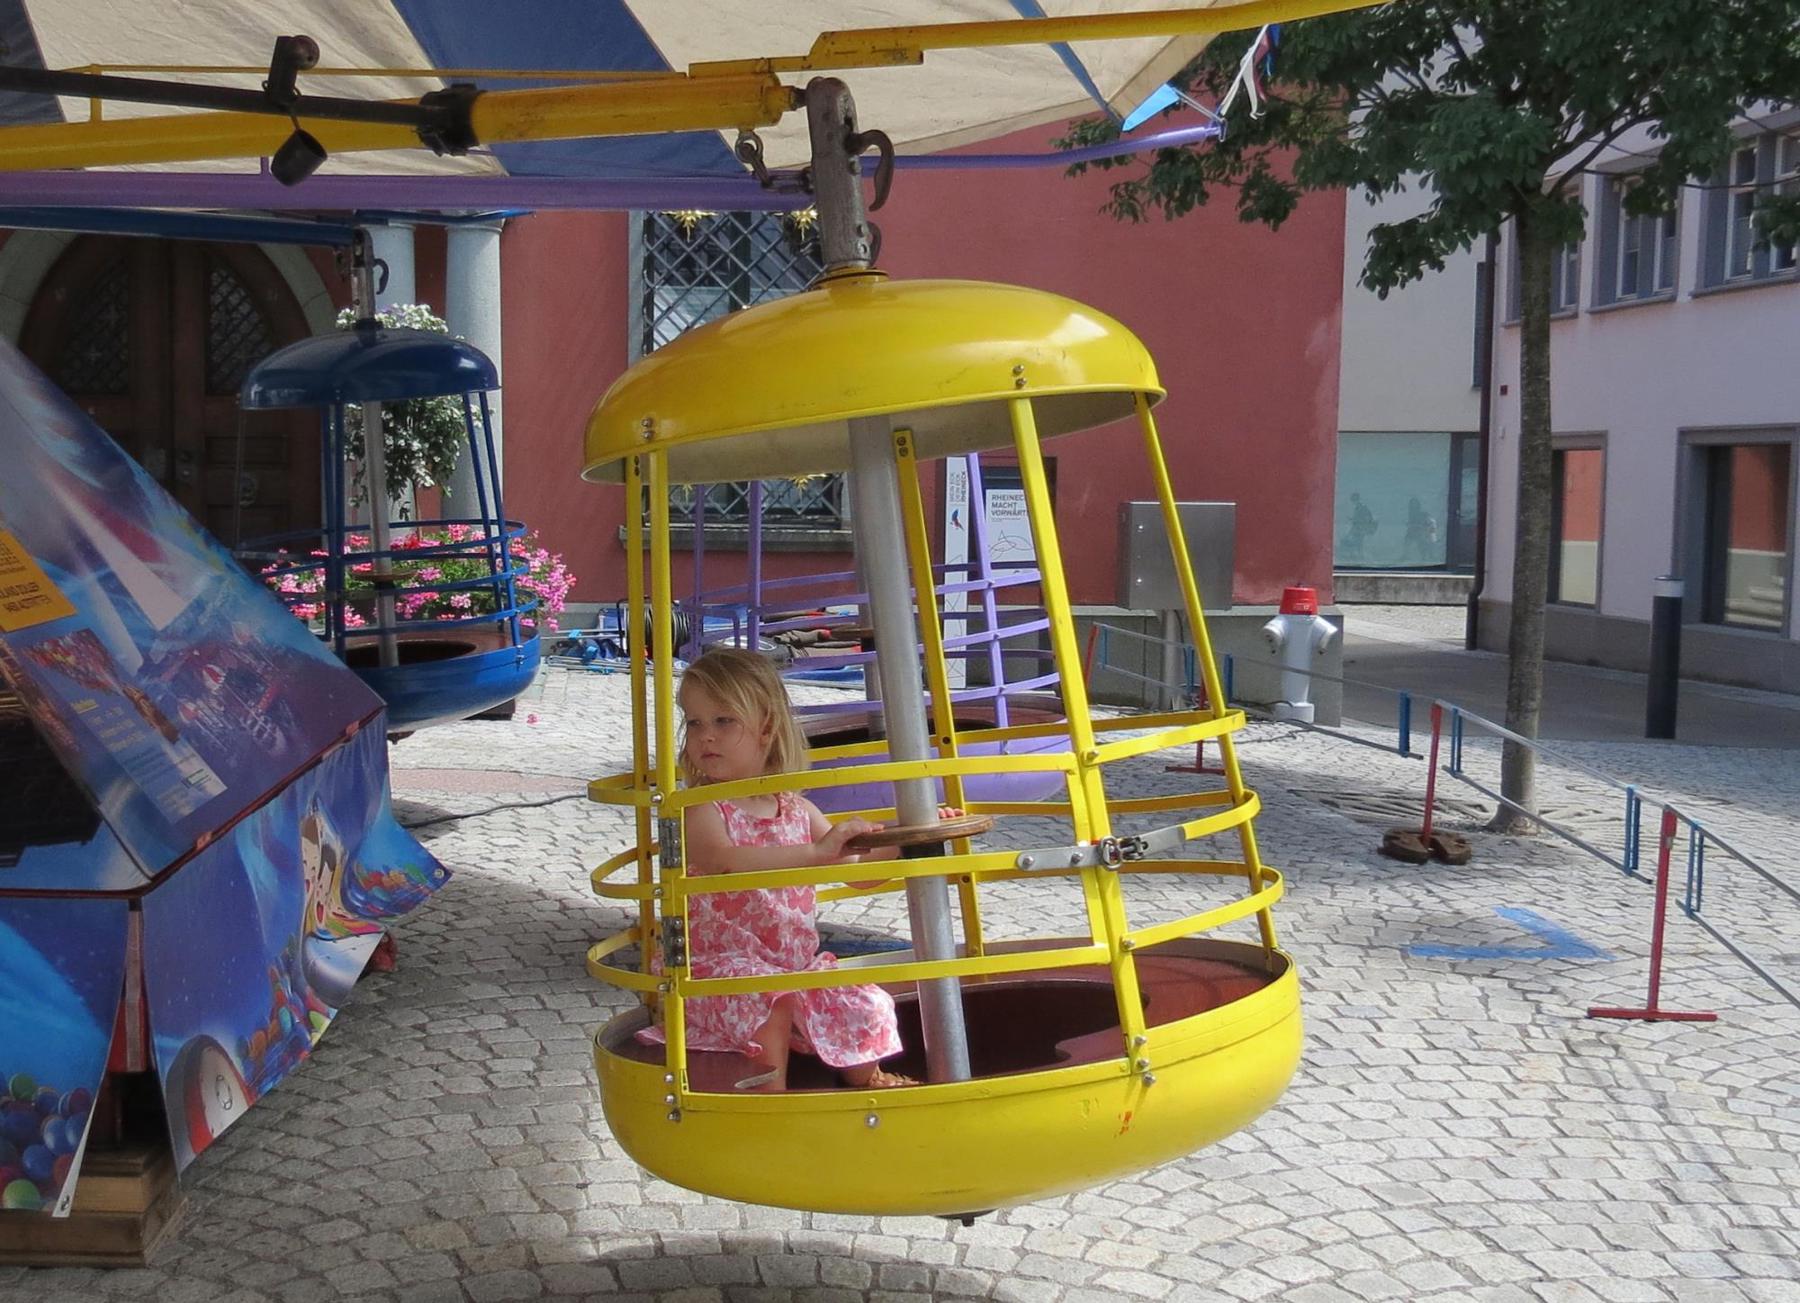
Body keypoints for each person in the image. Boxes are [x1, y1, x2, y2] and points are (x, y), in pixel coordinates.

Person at [639, 646, 919, 1091]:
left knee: (865, 1002)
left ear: (767, 727)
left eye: (723, 721)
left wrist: (907, 841)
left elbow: (856, 870)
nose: (705, 736)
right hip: (713, 968)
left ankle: (869, 1080)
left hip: (791, 966)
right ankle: (772, 1094)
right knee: (771, 998)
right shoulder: (701, 808)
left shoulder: (797, 810)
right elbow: (724, 862)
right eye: (694, 723)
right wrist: (816, 853)